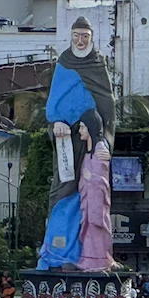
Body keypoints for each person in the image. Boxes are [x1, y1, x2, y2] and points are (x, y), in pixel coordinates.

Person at [38, 17, 116, 269]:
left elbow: (107, 105)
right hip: (66, 139)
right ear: (71, 37)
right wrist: (56, 122)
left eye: (85, 36)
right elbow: (54, 101)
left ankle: (87, 253)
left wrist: (103, 140)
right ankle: (58, 251)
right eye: (76, 36)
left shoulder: (97, 65)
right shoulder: (64, 63)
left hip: (91, 140)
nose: (80, 41)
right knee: (64, 188)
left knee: (91, 193)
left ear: (91, 38)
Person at [75, 118, 116, 272]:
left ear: (91, 128)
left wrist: (90, 178)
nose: (80, 131)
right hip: (87, 199)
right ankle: (88, 259)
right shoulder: (88, 151)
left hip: (96, 200)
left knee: (96, 228)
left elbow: (102, 181)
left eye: (83, 127)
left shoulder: (100, 150)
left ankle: (100, 260)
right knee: (87, 230)